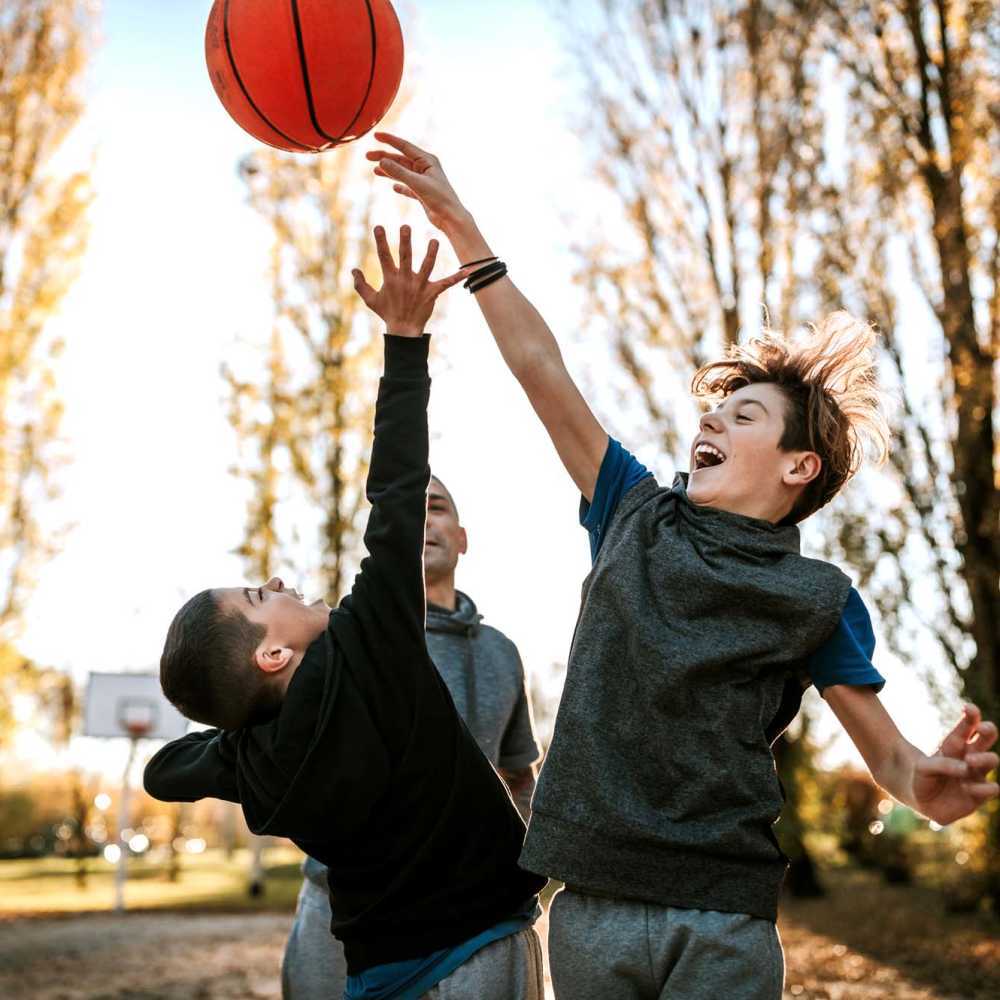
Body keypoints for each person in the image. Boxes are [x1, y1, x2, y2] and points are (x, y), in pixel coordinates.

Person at [366, 135, 1000, 1000]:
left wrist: (925, 782)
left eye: (744, 416)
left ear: (797, 467)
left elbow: (890, 760)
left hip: (723, 918)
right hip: (591, 903)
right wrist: (467, 232)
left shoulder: (819, 599)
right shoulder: (632, 511)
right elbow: (542, 371)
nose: (713, 424)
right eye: (715, 412)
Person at [143, 227, 546, 1000]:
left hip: (376, 973)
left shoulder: (253, 764)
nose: (279, 580)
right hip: (478, 946)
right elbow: (396, 487)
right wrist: (405, 339)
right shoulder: (372, 645)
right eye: (263, 597)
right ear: (271, 656)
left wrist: (237, 732)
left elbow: (164, 773)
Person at [282, 473, 541, 1000]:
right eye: (411, 510)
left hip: (471, 919)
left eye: (438, 507)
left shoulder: (501, 652)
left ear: (462, 538)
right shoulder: (336, 641)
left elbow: (517, 774)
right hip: (342, 910)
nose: (423, 519)